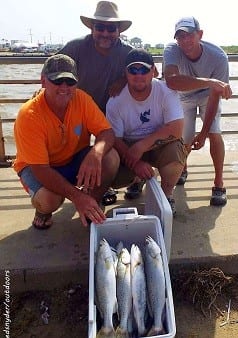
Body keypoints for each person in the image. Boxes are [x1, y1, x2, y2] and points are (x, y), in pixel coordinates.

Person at [13, 54, 119, 229]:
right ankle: (43, 211)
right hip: (37, 167)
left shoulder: (82, 99)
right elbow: (41, 170)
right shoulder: (29, 115)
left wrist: (96, 154)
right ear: (43, 81)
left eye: (70, 82)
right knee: (49, 200)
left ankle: (92, 202)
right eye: (57, 80)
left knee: (111, 157)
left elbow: (106, 132)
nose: (64, 87)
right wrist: (76, 197)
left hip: (72, 158)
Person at [59, 1, 137, 204]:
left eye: (111, 28)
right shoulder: (76, 47)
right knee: (73, 151)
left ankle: (104, 186)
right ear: (92, 28)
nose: (105, 33)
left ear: (119, 31)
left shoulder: (127, 52)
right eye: (99, 27)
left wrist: (123, 79)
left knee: (111, 153)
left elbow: (151, 73)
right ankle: (73, 190)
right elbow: (52, 71)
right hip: (79, 110)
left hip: (111, 113)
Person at [106, 49, 188, 216]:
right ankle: (136, 179)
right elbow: (114, 139)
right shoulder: (115, 101)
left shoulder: (166, 92)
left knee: (176, 153)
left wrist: (142, 145)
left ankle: (166, 195)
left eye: (143, 69)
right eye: (133, 70)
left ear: (153, 71)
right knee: (110, 169)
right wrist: (135, 163)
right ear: (125, 73)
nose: (138, 75)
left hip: (159, 144)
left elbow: (177, 129)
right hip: (128, 146)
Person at [163, 16, 232, 206]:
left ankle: (219, 183)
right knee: (183, 138)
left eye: (189, 35)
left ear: (200, 34)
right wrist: (208, 81)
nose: (185, 41)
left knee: (214, 133)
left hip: (209, 95)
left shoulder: (218, 57)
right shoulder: (171, 50)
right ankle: (182, 168)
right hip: (184, 95)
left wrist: (203, 134)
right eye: (180, 37)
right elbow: (172, 81)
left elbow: (215, 97)